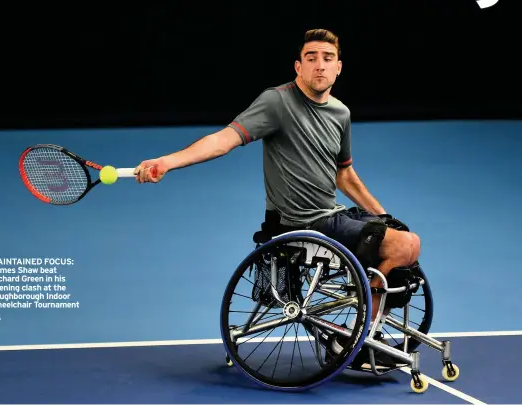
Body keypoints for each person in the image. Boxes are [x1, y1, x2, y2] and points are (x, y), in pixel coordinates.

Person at [134, 28, 421, 342]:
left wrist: (383, 216)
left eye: (328, 59)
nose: (320, 66)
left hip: (331, 215)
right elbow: (223, 140)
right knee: (406, 245)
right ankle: (360, 335)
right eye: (311, 58)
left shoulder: (340, 113)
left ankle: (367, 326)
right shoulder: (277, 102)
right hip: (301, 224)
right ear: (298, 66)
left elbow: (345, 176)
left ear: (339, 67)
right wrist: (167, 162)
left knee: (401, 236)